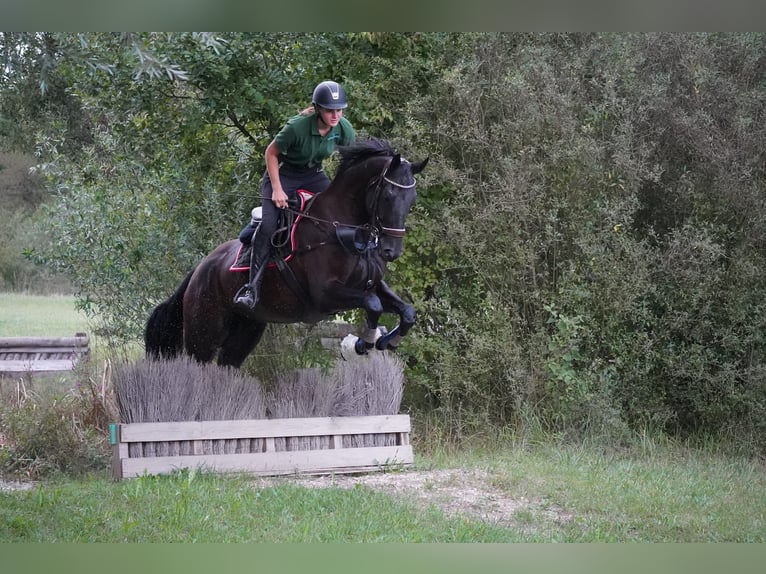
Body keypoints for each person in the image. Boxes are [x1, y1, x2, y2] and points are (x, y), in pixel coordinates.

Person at [234, 80, 356, 309]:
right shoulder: (297, 127)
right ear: (318, 108)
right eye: (330, 110)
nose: (335, 115)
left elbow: (350, 161)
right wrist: (278, 189)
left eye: (339, 110)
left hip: (314, 175)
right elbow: (271, 153)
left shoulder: (343, 128)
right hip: (283, 175)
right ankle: (251, 289)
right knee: (270, 225)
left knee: (338, 217)